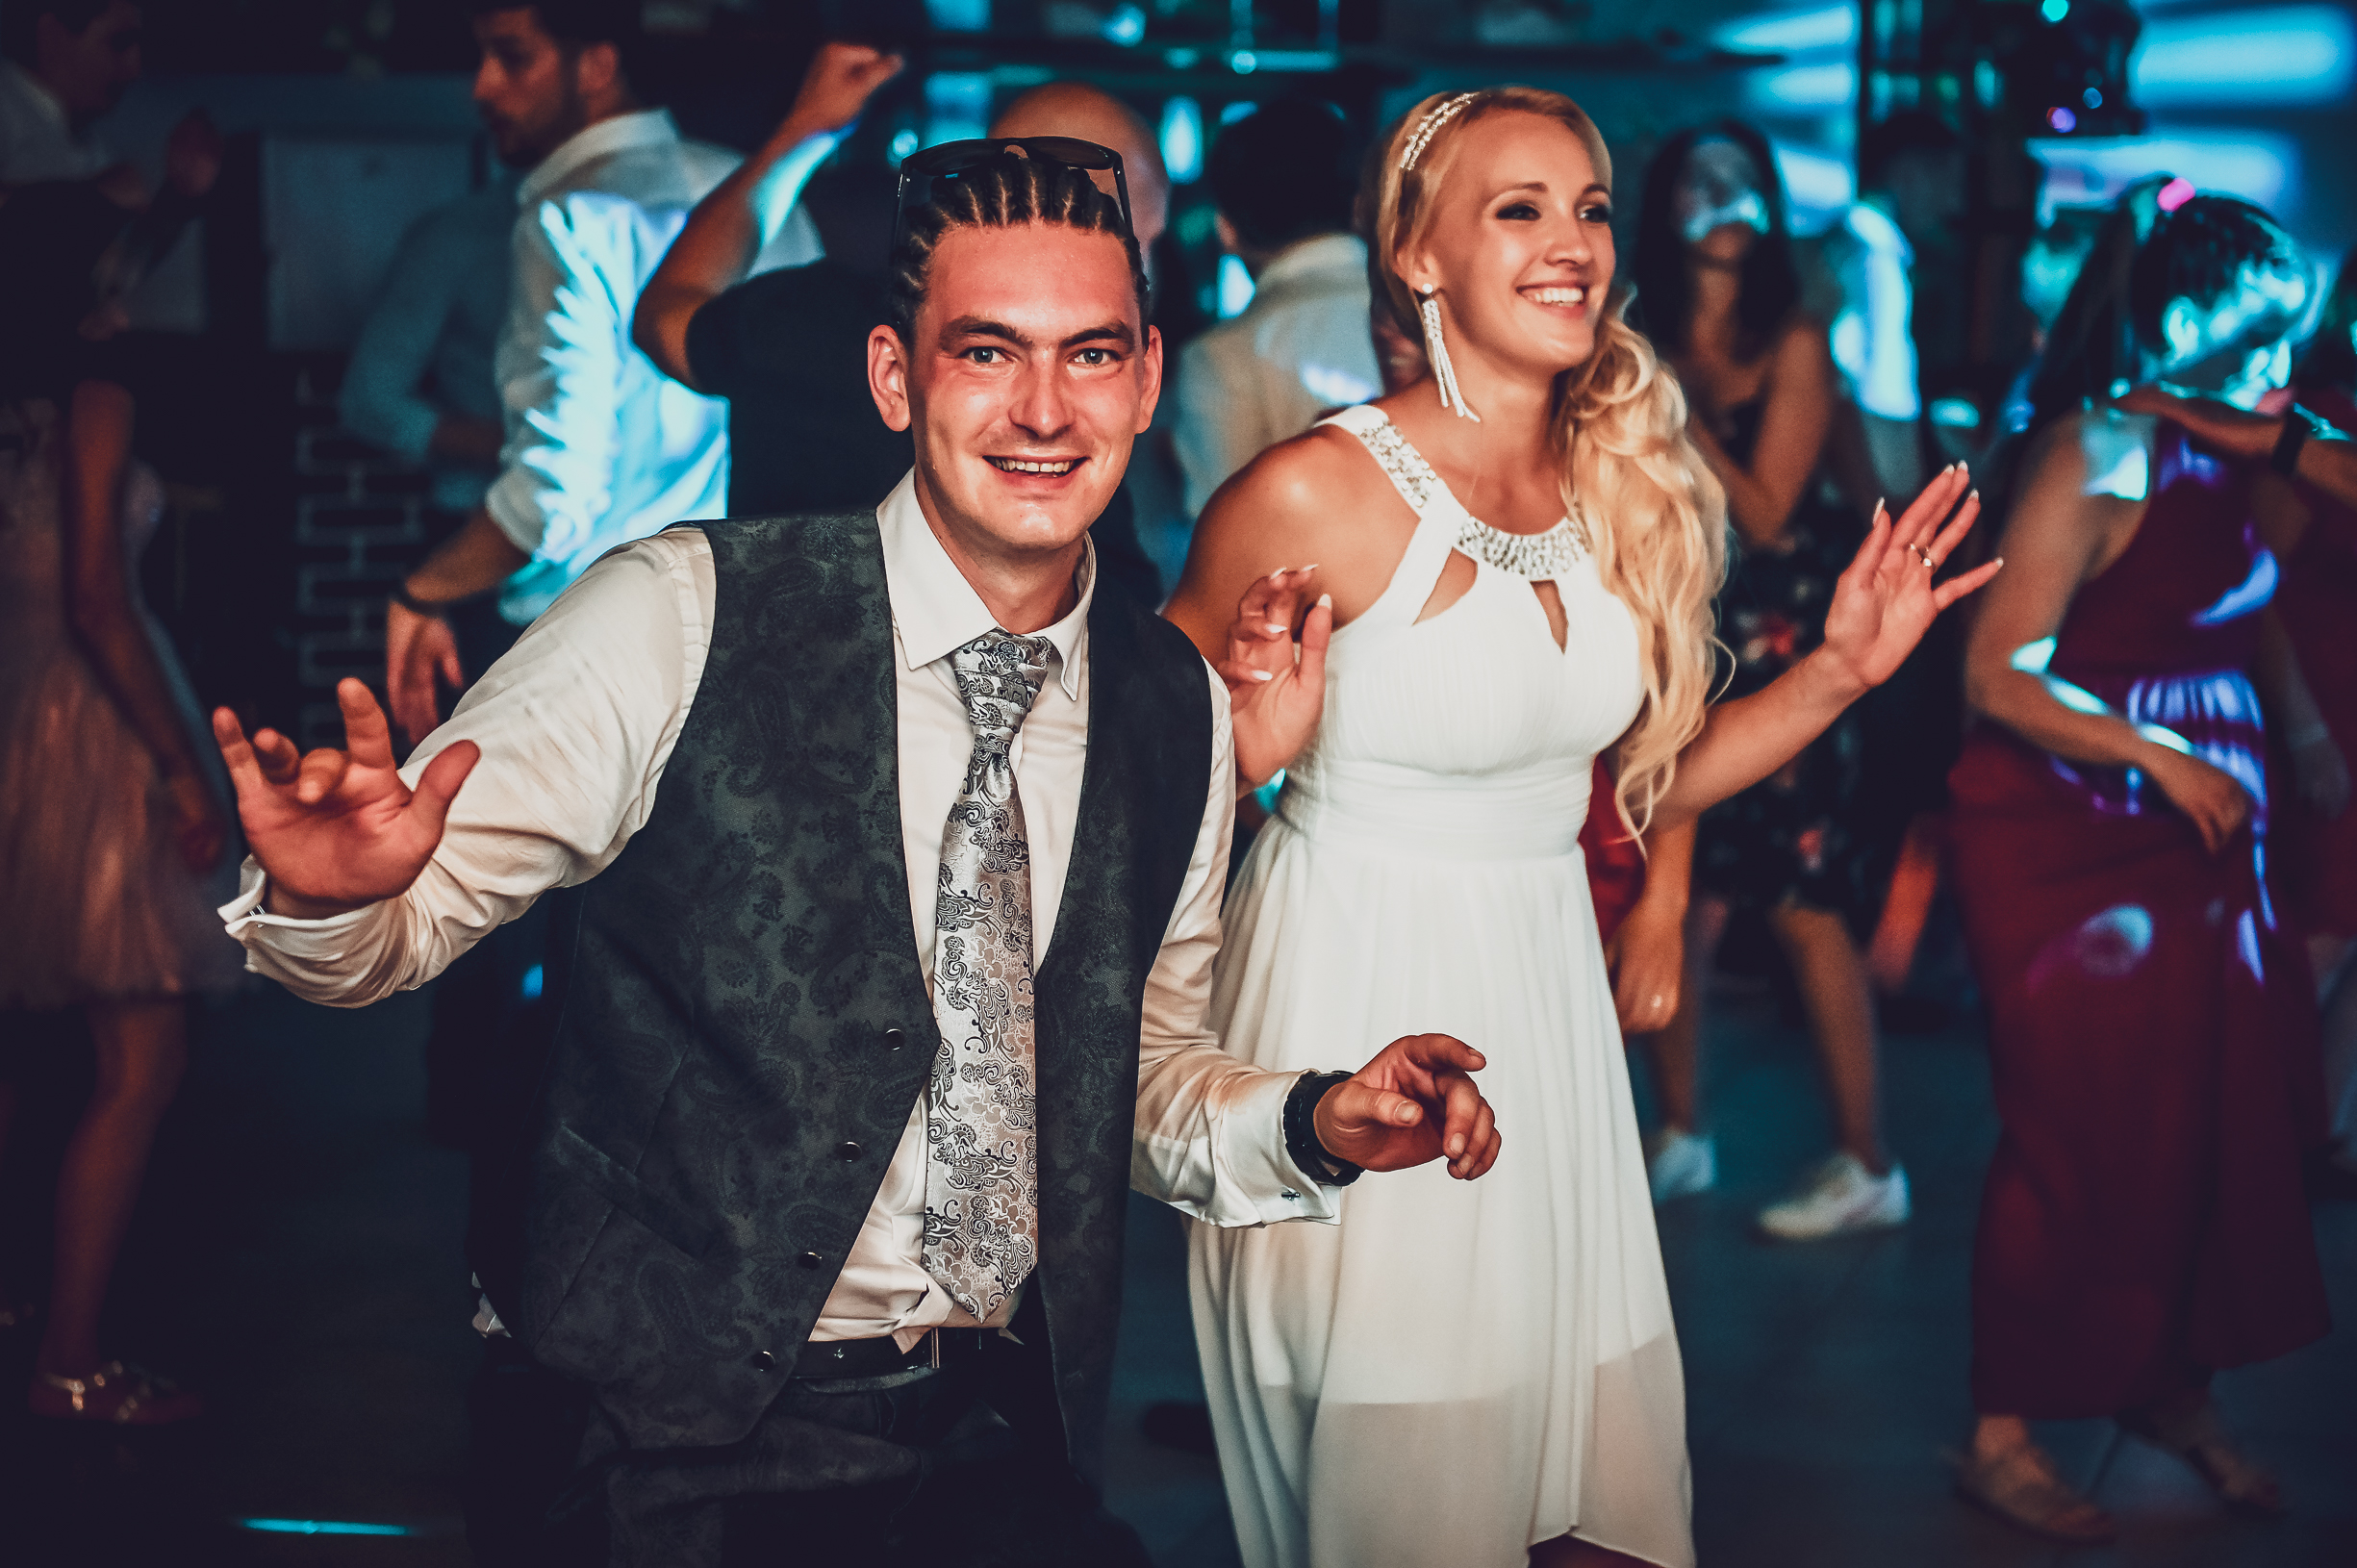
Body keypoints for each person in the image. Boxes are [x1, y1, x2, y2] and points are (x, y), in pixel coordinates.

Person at [212, 138, 1506, 1566]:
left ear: (1145, 380)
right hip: (657, 1442)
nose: (1042, 410)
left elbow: (1133, 1071)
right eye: (985, 352)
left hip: (998, 1430)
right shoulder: (679, 613)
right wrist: (328, 899)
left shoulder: (1175, 707)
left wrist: (1311, 1120)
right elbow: (389, 940)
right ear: (895, 377)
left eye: (1088, 356)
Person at [1166, 87, 1994, 1568]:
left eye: (1591, 207)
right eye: (1518, 208)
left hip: (1543, 997)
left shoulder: (1620, 481)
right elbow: (1138, 786)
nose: (1573, 242)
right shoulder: (1309, 492)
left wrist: (1839, 670)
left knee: (1586, 1467)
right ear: (1416, 254)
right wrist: (1242, 760)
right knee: (1411, 1467)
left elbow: (1640, 779)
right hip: (1359, 982)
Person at [1945, 190, 2329, 1542]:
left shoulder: (2239, 450)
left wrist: (2295, 734)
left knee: (2207, 1119)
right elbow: (1997, 672)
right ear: (2188, 324)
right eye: (2259, 338)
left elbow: (2236, 607)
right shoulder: (2098, 447)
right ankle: (1997, 1430)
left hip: (2201, 821)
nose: (2279, 364)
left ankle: (2171, 1388)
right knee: (2077, 1128)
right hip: (2068, 820)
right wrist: (2163, 755)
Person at [382, 0, 822, 749]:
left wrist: (421, 590)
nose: (482, 87)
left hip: (593, 652)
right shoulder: (760, 196)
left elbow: (556, 492)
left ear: (597, 64)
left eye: (513, 57)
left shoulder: (568, 219)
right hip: (751, 635)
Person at [1624, 120, 1906, 1236]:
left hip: (1787, 637)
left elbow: (1769, 511)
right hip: (1677, 630)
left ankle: (1867, 1162)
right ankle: (1679, 1134)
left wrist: (1662, 402)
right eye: (1700, 177)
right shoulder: (1637, 334)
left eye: (1742, 179)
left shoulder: (1793, 335)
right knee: (1673, 892)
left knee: (1800, 901)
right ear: (1665, 201)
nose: (1723, 197)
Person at [0, 181, 241, 1423]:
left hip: (10, 714)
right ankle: (72, 1364)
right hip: (87, 727)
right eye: (116, 273)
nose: (130, 297)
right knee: (141, 1058)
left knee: (20, 1055)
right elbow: (98, 598)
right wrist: (180, 767)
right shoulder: (95, 396)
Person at [635, 63, 1168, 606]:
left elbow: (663, 316)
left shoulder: (803, 313)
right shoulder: (1056, 465)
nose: (1043, 415)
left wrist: (805, 132)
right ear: (890, 374)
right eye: (1137, 241)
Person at [2253, 249, 2357, 1185]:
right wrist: (2303, 729)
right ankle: (2252, 1139)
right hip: (2326, 704)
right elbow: (2259, 594)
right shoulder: (2314, 422)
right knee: (2321, 927)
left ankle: (2314, 1136)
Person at [1173, 98, 1381, 519]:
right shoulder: (1440, 320)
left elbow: (1222, 532)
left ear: (1226, 230)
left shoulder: (1219, 357)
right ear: (1362, 208)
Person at [339, 178, 516, 516]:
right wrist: (525, 449)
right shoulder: (458, 235)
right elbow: (369, 398)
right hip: (481, 509)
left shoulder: (618, 227)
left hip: (608, 516)